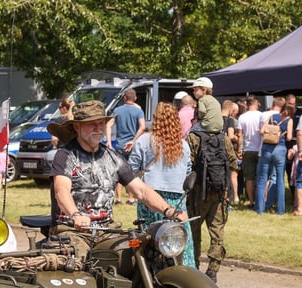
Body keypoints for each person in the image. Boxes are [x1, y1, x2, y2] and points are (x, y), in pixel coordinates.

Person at [46, 100, 187, 261]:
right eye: (92, 124)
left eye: (101, 123)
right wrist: (75, 214)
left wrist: (169, 210)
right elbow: (61, 191)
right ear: (77, 127)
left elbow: (141, 190)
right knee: (79, 263)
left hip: (107, 231)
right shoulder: (65, 155)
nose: (98, 129)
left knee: (141, 256)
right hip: (71, 231)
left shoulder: (113, 157)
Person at [128, 102, 196, 267]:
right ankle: (183, 271)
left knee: (149, 242)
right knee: (180, 242)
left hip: (150, 199)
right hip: (176, 201)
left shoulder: (144, 141)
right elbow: (188, 172)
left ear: (155, 119)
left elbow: (130, 170)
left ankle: (150, 276)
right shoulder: (183, 145)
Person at [187, 118, 239, 282]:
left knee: (194, 231)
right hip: (219, 194)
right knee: (217, 233)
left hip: (197, 194)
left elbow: (187, 164)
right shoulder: (224, 138)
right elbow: (234, 164)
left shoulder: (193, 137)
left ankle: (193, 266)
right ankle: (213, 269)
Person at [106, 89, 145, 205]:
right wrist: (133, 140)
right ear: (135, 98)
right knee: (132, 171)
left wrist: (108, 141)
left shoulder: (117, 110)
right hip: (133, 145)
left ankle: (118, 198)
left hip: (120, 145)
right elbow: (142, 127)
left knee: (119, 170)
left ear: (124, 98)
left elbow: (108, 125)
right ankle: (131, 198)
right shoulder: (138, 111)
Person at [260, 101, 295, 215]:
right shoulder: (289, 120)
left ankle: (264, 206)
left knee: (264, 178)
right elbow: (289, 137)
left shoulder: (272, 117)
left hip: (267, 149)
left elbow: (261, 131)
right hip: (280, 149)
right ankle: (280, 210)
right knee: (279, 180)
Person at [238, 96, 263, 207]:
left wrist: (239, 150)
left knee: (249, 178)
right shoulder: (261, 115)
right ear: (256, 103)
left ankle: (251, 201)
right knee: (261, 176)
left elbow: (239, 135)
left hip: (248, 149)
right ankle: (260, 200)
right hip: (261, 149)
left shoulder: (242, 117)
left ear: (247, 104)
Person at [221, 100, 241, 204]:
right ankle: (229, 198)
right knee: (230, 174)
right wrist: (237, 138)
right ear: (231, 110)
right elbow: (230, 135)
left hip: (216, 149)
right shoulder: (230, 120)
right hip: (227, 151)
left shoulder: (216, 119)